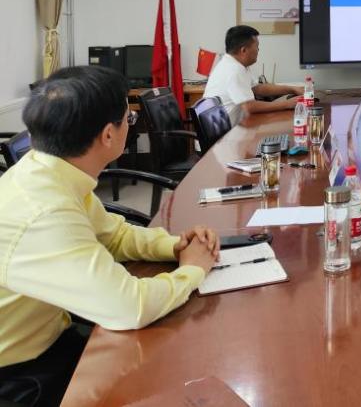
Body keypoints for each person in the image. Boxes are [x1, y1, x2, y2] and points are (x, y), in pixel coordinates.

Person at [0, 67, 219, 406]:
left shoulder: (50, 169)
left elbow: (113, 235)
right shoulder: (44, 211)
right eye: (128, 119)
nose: (130, 126)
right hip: (20, 376)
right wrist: (193, 270)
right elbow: (128, 307)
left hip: (53, 332)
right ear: (107, 135)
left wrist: (175, 246)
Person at [204, 25, 304, 124]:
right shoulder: (233, 70)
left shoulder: (236, 64)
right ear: (243, 50)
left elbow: (257, 88)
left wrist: (292, 89)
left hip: (236, 124)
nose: (258, 50)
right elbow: (249, 106)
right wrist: (287, 104)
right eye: (257, 46)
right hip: (228, 132)